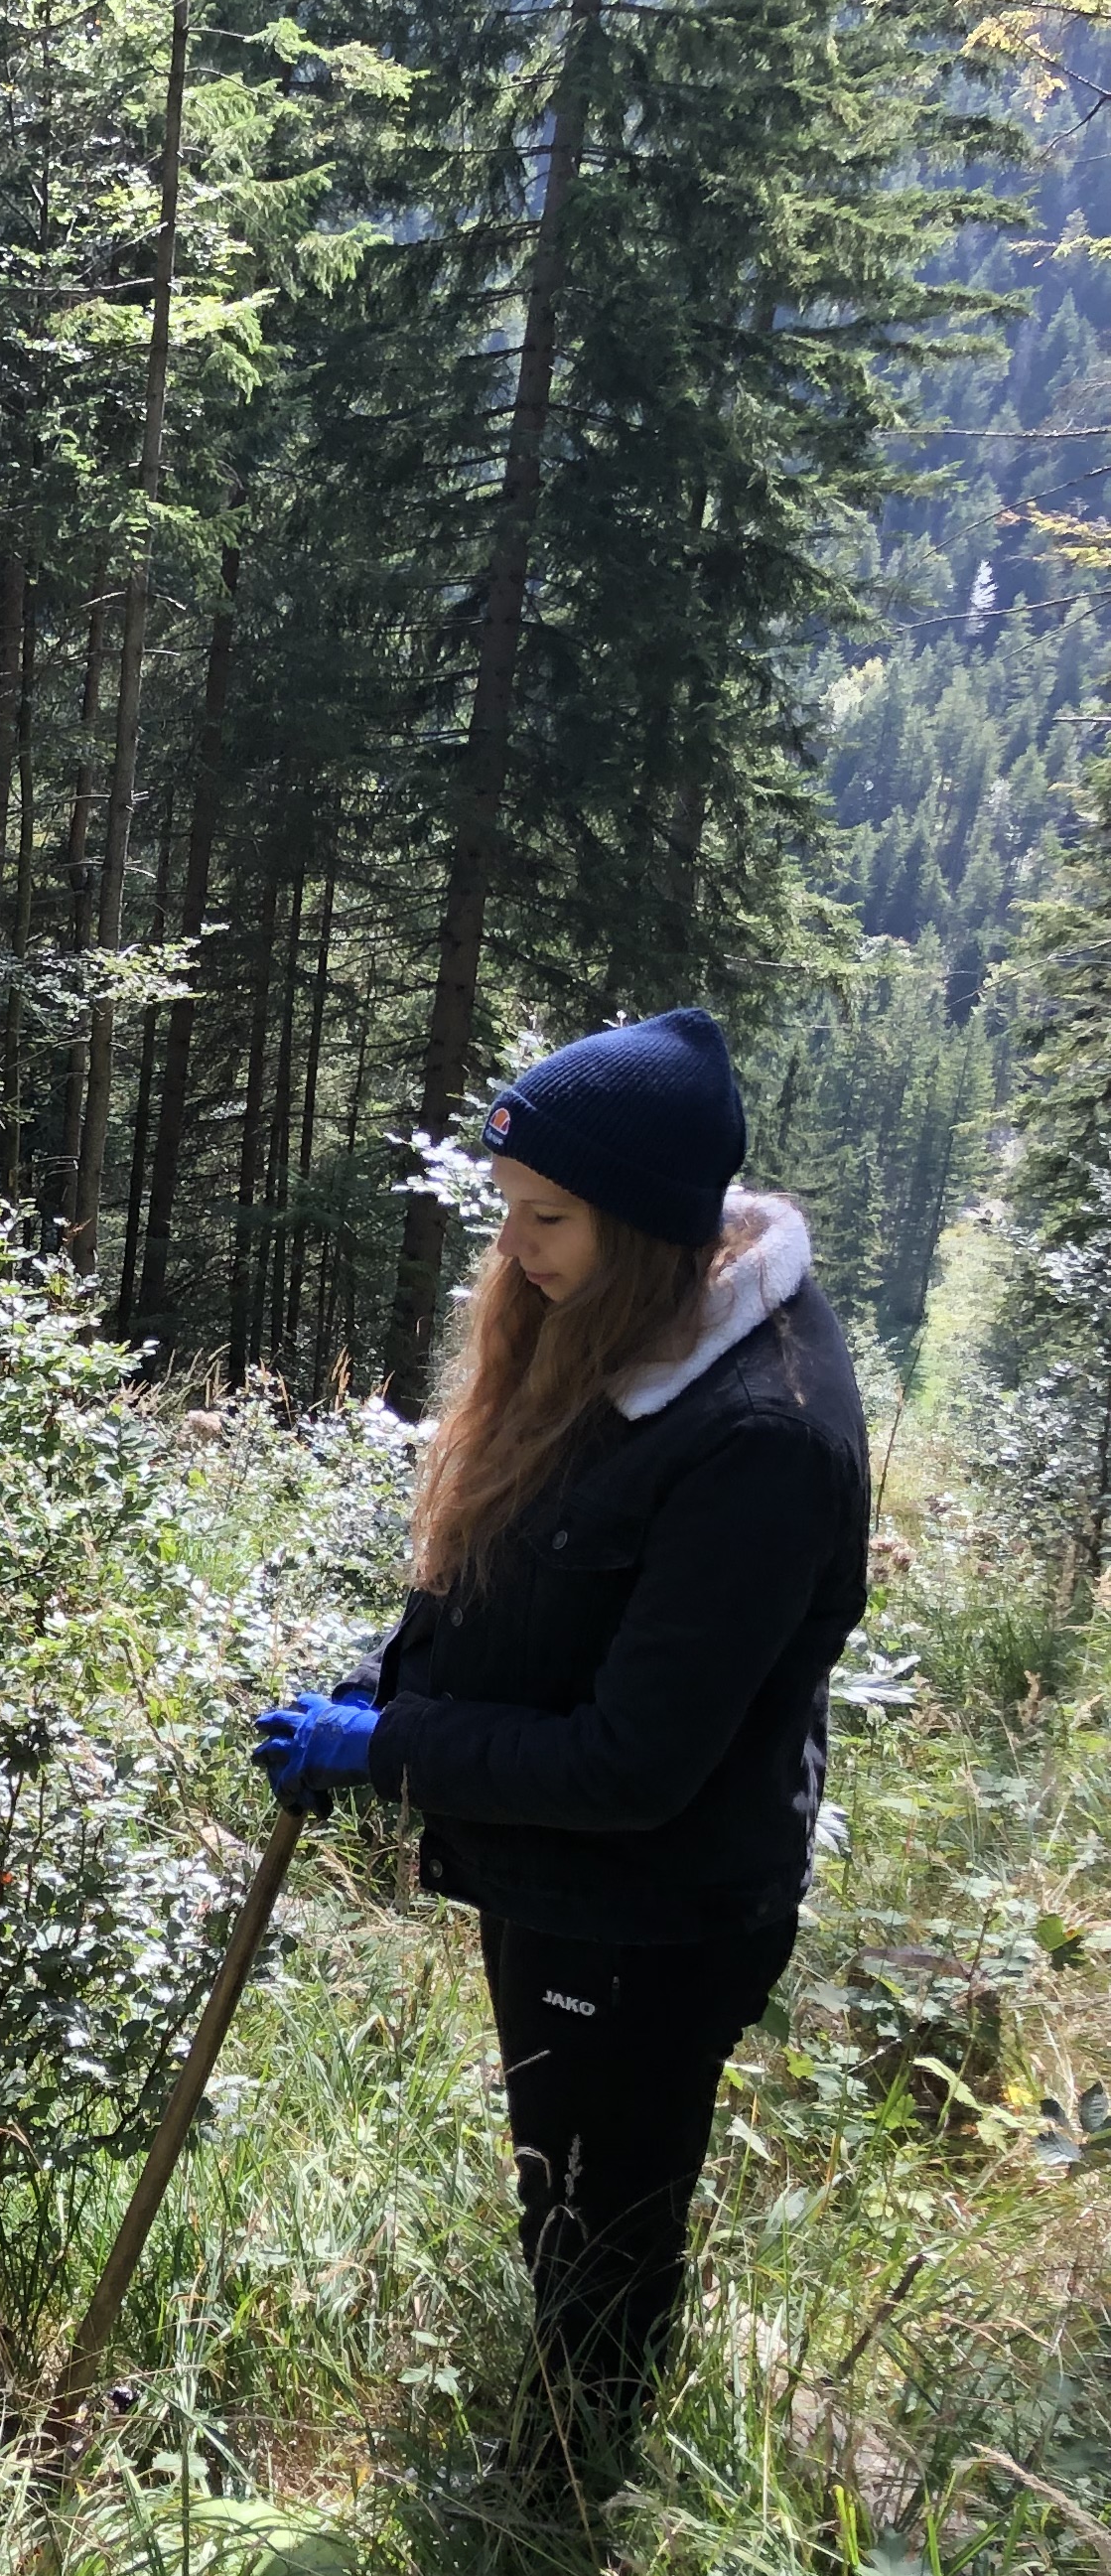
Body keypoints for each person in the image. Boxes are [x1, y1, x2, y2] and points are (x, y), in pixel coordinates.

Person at [252, 1008, 867, 2496]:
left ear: (653, 1228)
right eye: (505, 1211)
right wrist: (391, 1679)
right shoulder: (619, 1333)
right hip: (566, 1884)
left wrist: (393, 1746)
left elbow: (632, 1765)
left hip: (651, 1907)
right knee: (565, 2186)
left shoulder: (758, 1443)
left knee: (599, 2216)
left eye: (546, 1219)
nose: (513, 1248)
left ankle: (560, 2510)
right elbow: (537, 1575)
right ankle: (564, 2455)